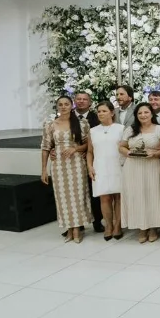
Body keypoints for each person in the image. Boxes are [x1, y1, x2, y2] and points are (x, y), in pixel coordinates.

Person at [41, 95, 93, 243]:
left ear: (72, 106)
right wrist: (44, 169)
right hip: (58, 165)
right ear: (57, 107)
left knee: (77, 196)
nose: (63, 107)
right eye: (60, 104)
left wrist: (75, 149)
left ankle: (77, 229)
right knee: (62, 198)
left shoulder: (82, 123)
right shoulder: (50, 124)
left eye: (66, 104)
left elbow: (88, 145)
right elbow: (45, 147)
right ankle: (69, 229)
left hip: (76, 164)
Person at [118, 103, 160, 243]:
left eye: (146, 112)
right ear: (136, 115)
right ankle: (141, 228)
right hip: (133, 167)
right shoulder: (130, 129)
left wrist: (154, 153)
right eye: (140, 113)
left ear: (151, 114)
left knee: (152, 195)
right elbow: (121, 147)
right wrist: (128, 152)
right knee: (137, 196)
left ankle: (153, 227)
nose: (143, 115)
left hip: (152, 166)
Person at [87, 101, 125, 241]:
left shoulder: (121, 129)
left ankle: (118, 226)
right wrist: (90, 166)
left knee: (118, 197)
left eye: (104, 111)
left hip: (117, 164)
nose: (101, 114)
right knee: (105, 197)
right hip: (100, 166)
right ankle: (108, 225)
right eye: (99, 111)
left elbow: (125, 147)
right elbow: (90, 152)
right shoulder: (92, 131)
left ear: (112, 112)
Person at [73, 91, 104, 232]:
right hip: (72, 161)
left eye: (84, 99)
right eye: (78, 99)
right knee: (76, 192)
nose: (81, 101)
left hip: (93, 158)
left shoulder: (96, 117)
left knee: (94, 191)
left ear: (90, 102)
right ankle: (77, 223)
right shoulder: (67, 117)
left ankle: (97, 221)